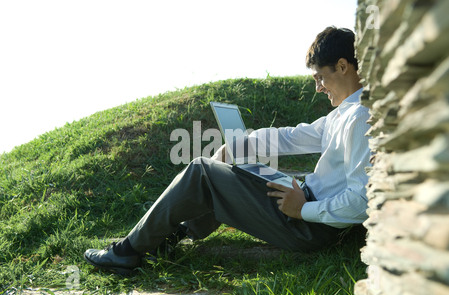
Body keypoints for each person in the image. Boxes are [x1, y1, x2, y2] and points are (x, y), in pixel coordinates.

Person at [84, 26, 371, 275]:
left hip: (312, 227)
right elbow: (291, 137)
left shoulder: (360, 117)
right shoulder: (344, 113)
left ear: (343, 67)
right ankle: (169, 239)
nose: (318, 87)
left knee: (202, 171)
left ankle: (125, 253)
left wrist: (304, 208)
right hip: (307, 205)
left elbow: (361, 201)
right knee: (235, 171)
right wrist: (238, 146)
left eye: (320, 77)